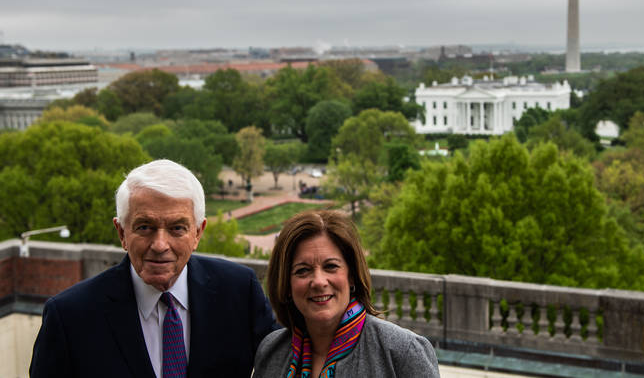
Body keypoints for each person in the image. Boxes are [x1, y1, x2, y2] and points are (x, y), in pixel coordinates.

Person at [30, 159, 277, 378]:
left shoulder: (239, 291)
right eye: (145, 227)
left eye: (177, 228)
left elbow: (291, 357)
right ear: (122, 233)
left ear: (198, 233)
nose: (160, 245)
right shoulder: (70, 317)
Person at [254, 209, 440, 377]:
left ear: (352, 276)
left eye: (331, 266)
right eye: (303, 270)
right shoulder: (271, 351)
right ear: (286, 284)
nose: (319, 281)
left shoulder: (403, 352)